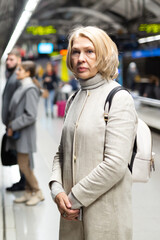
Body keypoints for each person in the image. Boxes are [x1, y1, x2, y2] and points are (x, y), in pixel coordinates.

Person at [49, 26, 138, 239]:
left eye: (90, 51)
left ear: (104, 55)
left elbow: (115, 164)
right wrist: (57, 189)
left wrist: (74, 198)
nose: (81, 58)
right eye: (76, 52)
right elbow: (61, 153)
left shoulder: (118, 98)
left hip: (104, 216)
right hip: (71, 215)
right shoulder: (73, 99)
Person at [6, 61, 44, 206]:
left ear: (28, 73)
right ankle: (29, 193)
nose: (17, 72)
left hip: (25, 134)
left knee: (23, 165)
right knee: (25, 164)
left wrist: (13, 125)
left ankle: (37, 191)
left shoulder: (30, 90)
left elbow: (31, 115)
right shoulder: (22, 87)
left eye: (20, 70)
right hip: (19, 133)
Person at [2, 48, 26, 192]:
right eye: (7, 59)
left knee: (21, 154)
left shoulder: (17, 77)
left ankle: (25, 183)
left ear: (19, 60)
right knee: (17, 154)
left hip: (16, 125)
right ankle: (22, 181)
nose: (8, 62)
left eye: (12, 59)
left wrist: (14, 124)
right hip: (12, 124)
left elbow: (20, 103)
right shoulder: (12, 75)